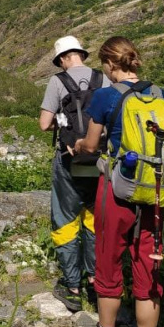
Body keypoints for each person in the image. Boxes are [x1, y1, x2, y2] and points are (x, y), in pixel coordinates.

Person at [74, 36, 164, 327]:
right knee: (148, 267)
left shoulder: (105, 96)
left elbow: (91, 145)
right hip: (155, 192)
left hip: (117, 189)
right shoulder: (161, 95)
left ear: (108, 64)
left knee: (108, 259)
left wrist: (80, 145)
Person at [39, 36, 109, 312]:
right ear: (81, 53)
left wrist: (61, 122)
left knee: (66, 220)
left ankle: (72, 287)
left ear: (63, 58)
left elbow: (44, 124)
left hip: (69, 159)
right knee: (94, 219)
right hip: (99, 159)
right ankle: (94, 279)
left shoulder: (58, 82)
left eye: (59, 61)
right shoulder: (103, 79)